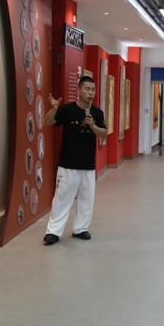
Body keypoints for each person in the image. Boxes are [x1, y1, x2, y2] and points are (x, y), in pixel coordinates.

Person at [43, 76, 108, 245]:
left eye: (93, 89)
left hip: (88, 165)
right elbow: (48, 122)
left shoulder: (97, 113)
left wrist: (93, 126)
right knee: (62, 199)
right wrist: (54, 108)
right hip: (68, 164)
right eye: (87, 89)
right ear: (78, 90)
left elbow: (104, 133)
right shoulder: (67, 109)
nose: (91, 92)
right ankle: (53, 232)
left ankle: (81, 228)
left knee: (86, 200)